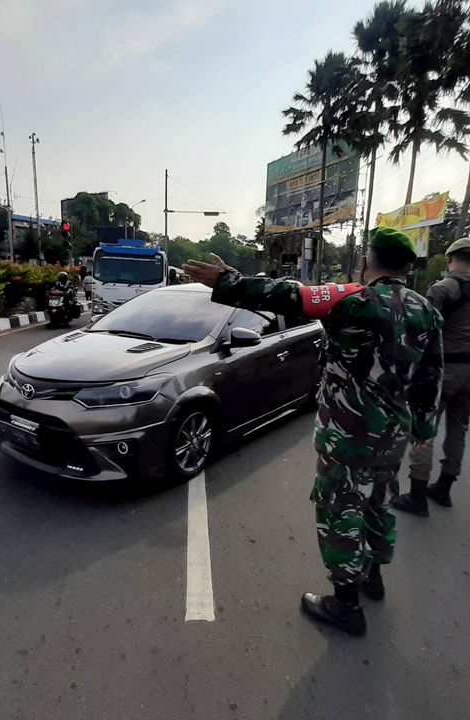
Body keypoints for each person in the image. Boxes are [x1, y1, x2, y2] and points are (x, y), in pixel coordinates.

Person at [184, 227, 443, 636]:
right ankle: (373, 577)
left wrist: (229, 281)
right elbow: (430, 378)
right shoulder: (426, 311)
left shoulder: (353, 301)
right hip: (393, 434)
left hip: (348, 432)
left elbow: (290, 296)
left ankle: (345, 604)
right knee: (378, 503)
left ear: (367, 260)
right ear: (409, 268)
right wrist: (425, 428)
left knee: (341, 510)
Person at [392, 237, 470, 516]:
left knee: (424, 429)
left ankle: (418, 495)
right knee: (459, 428)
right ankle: (444, 488)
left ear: (450, 258)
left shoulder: (443, 288)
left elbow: (424, 331)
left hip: (445, 370)